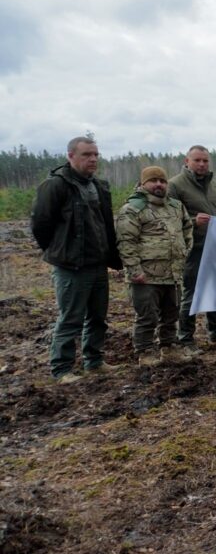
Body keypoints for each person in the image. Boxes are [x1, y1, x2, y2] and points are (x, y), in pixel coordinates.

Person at [30, 136, 122, 383]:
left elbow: (104, 224)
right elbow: (41, 223)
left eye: (95, 155)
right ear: (71, 156)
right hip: (71, 266)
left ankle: (94, 362)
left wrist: (111, 256)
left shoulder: (99, 186)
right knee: (70, 318)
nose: (92, 159)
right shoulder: (56, 185)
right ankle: (62, 369)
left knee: (97, 317)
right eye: (86, 155)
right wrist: (60, 252)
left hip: (98, 264)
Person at [115, 167, 192, 365]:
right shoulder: (133, 209)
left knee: (171, 313)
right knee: (147, 315)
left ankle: (169, 348)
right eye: (153, 180)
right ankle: (145, 352)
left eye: (162, 181)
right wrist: (134, 269)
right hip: (146, 275)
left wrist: (183, 254)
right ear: (143, 184)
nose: (159, 184)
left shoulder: (176, 206)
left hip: (172, 273)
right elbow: (126, 242)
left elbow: (187, 230)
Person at [168, 144, 216, 350]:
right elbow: (168, 218)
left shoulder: (215, 186)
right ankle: (185, 338)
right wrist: (194, 221)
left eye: (205, 160)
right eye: (197, 160)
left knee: (215, 291)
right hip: (193, 248)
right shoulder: (175, 185)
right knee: (191, 293)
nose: (202, 164)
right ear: (187, 161)